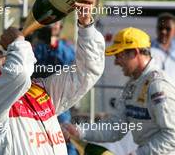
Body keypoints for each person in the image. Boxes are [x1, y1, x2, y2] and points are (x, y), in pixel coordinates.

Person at [0, 0, 104, 154]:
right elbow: (20, 73)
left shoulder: (37, 90)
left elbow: (87, 72)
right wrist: (17, 42)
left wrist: (86, 24)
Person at [62, 27, 175, 155]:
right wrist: (79, 131)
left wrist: (140, 153)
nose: (116, 62)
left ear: (135, 52)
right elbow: (116, 127)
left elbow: (172, 135)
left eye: (119, 55)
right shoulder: (132, 85)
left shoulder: (158, 85)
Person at [32, 22, 77, 155]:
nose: (52, 26)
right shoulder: (37, 47)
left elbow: (72, 67)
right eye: (50, 23)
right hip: (36, 100)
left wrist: (54, 46)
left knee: (65, 136)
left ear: (60, 27)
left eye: (56, 23)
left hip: (59, 101)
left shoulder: (66, 49)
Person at [151, 13, 175, 82]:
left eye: (168, 29)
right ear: (156, 29)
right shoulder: (147, 49)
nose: (163, 31)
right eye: (160, 28)